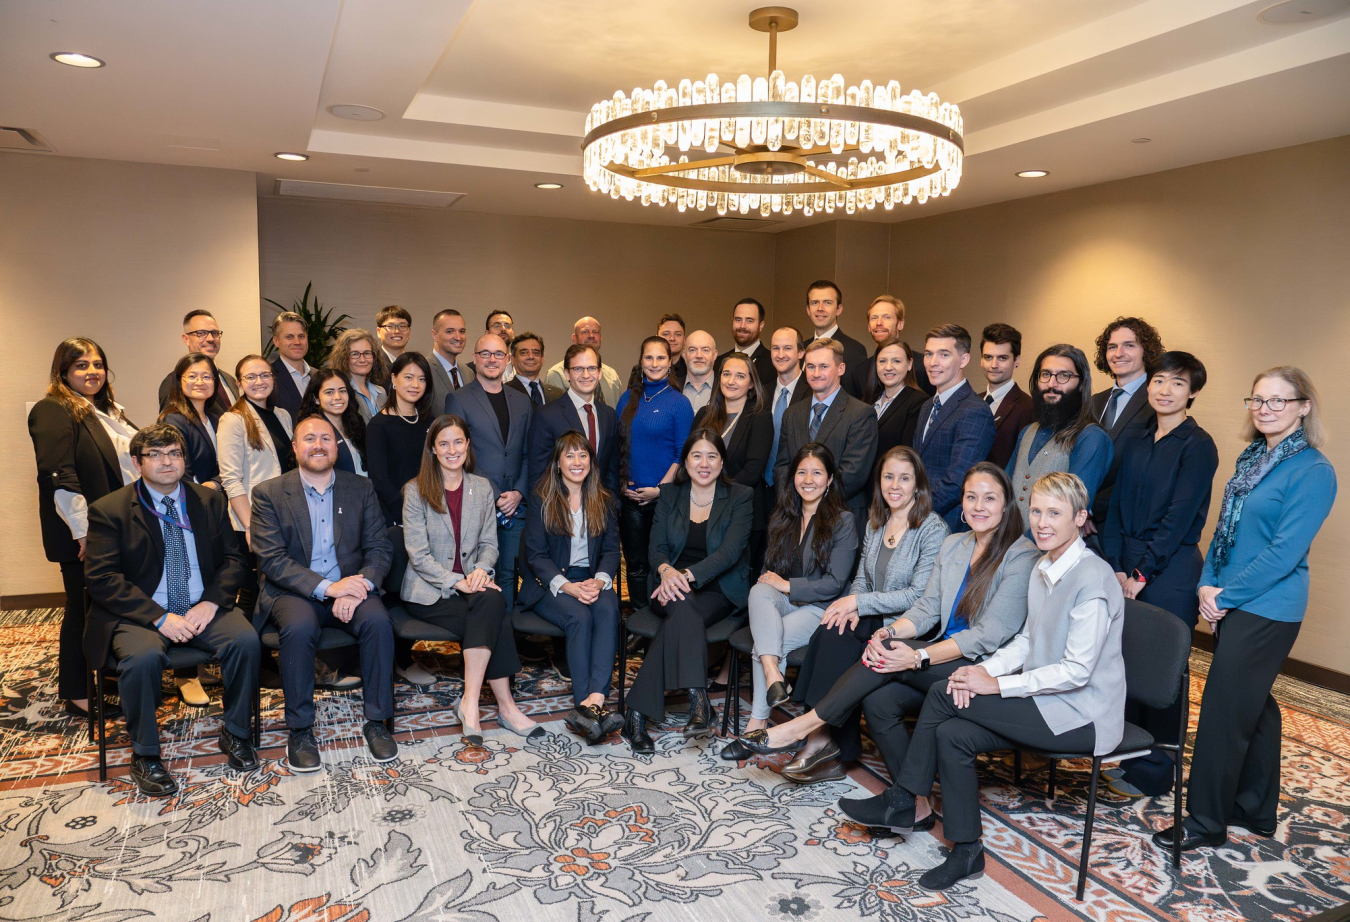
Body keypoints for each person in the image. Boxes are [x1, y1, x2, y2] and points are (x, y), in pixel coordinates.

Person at [841, 472, 1125, 891]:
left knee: (942, 693)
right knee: (955, 734)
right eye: (1037, 511)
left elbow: (1076, 672)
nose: (1042, 522)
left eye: (1055, 513)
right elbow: (1028, 641)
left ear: (1080, 518)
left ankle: (904, 799)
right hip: (1044, 698)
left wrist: (997, 685)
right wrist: (984, 672)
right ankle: (967, 849)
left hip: (1082, 712)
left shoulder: (1092, 578)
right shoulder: (1044, 564)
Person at [1155, 367, 1336, 853]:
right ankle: (1254, 809)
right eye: (1258, 399)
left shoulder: (1315, 471)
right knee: (1254, 708)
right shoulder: (1253, 456)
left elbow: (1283, 552)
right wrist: (1207, 582)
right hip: (1230, 596)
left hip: (1269, 608)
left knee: (1221, 709)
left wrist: (1225, 597)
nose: (1265, 409)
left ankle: (1205, 821)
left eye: (1279, 401)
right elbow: (1224, 529)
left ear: (1304, 407)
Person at [729, 448, 949, 779]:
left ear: (918, 484)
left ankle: (815, 739)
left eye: (904, 478)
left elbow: (918, 595)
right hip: (872, 613)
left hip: (907, 624)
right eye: (888, 477)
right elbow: (860, 578)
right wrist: (853, 604)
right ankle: (822, 741)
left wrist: (857, 604)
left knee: (834, 635)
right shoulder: (878, 522)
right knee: (832, 631)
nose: (895, 485)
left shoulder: (932, 529)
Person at [83, 424, 258, 796]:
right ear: (137, 462)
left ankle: (237, 732)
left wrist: (211, 603)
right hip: (142, 613)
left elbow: (233, 559)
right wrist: (160, 617)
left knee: (245, 640)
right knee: (143, 658)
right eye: (156, 455)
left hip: (201, 606)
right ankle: (145, 755)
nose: (167, 462)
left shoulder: (209, 501)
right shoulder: (110, 510)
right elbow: (102, 579)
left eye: (174, 453)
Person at [1100, 351, 1218, 798]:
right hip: (1124, 566)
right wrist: (1114, 568)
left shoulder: (1198, 444)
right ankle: (1128, 754)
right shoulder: (1136, 440)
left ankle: (1157, 770)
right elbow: (1113, 513)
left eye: (1177, 384)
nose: (1165, 390)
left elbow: (1180, 517)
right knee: (1125, 662)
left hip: (1169, 570)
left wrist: (1139, 573)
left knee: (1164, 670)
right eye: (1159, 381)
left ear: (1193, 393)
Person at [251, 415, 398, 771]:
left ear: (336, 447)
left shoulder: (360, 488)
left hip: (351, 586)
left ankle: (377, 722)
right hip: (295, 591)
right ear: (296, 447)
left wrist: (358, 585)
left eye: (326, 439)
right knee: (298, 630)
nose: (318, 445)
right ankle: (300, 729)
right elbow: (271, 559)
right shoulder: (268, 493)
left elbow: (379, 548)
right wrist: (330, 588)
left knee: (379, 622)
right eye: (309, 438)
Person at [400, 415, 543, 742]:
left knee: (490, 604)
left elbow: (489, 544)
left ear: (467, 445)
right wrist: (457, 581)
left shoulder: (481, 487)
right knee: (495, 613)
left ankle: (472, 703)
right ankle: (503, 708)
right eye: (444, 443)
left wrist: (480, 570)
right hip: (429, 593)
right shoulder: (415, 490)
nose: (452, 450)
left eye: (458, 442)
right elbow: (418, 555)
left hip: (473, 588)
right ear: (433, 450)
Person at [623, 429, 754, 752]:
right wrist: (667, 572)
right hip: (669, 585)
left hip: (718, 588)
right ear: (685, 461)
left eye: (712, 456)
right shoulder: (670, 494)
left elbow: (730, 552)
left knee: (683, 611)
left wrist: (685, 577)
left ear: (722, 462)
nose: (704, 463)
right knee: (683, 608)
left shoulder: (740, 496)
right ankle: (699, 700)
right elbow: (656, 548)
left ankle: (636, 714)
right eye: (697, 455)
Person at [28, 337, 137, 719]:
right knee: (83, 608)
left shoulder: (106, 411)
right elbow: (58, 474)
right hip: (83, 533)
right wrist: (82, 531)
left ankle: (103, 675)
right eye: (81, 365)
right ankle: (76, 691)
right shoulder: (53, 408)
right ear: (63, 372)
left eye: (97, 363)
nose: (92, 371)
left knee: (105, 607)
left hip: (115, 527)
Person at [740, 444, 858, 736]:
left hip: (821, 607)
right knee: (758, 591)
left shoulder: (843, 521)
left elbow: (835, 583)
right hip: (787, 601)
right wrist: (776, 585)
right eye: (801, 472)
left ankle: (758, 719)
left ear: (829, 479)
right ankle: (774, 677)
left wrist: (785, 584)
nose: (808, 479)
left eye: (817, 472)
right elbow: (772, 570)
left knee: (767, 642)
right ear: (792, 477)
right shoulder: (784, 516)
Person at [519, 432, 623, 744]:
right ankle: (586, 704)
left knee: (608, 609)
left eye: (583, 455)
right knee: (581, 617)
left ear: (591, 461)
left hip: (591, 577)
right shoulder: (542, 497)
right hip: (549, 583)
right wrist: (570, 588)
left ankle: (593, 704)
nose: (577, 462)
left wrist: (600, 580)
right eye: (569, 456)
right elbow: (536, 557)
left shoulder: (603, 500)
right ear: (558, 462)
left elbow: (611, 551)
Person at [446, 333, 533, 611]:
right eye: (485, 353)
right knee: (475, 574)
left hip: (515, 507)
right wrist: (495, 495)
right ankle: (479, 636)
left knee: (508, 574)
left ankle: (503, 637)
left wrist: (519, 491)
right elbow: (457, 453)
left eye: (498, 354)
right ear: (474, 359)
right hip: (477, 502)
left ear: (508, 360)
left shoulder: (522, 401)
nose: (492, 359)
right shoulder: (457, 399)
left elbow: (528, 452)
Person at [615, 337, 695, 612]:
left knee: (661, 564)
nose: (654, 364)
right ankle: (639, 621)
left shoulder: (679, 403)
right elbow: (618, 445)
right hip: (630, 499)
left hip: (665, 499)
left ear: (671, 361)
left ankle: (660, 618)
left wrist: (660, 490)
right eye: (649, 358)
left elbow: (681, 455)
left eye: (661, 358)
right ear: (641, 361)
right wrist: (621, 481)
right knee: (635, 565)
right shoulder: (627, 399)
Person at [772, 338, 878, 542]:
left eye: (824, 366)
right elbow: (782, 467)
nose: (816, 373)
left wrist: (812, 502)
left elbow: (853, 473)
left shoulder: (861, 414)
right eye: (810, 366)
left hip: (840, 518)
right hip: (795, 519)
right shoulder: (792, 413)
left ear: (841, 368)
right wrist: (794, 505)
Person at [217, 354, 295, 615]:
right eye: (250, 376)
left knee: (280, 587)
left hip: (285, 514)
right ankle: (253, 653)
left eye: (265, 375)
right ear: (239, 383)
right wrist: (251, 526)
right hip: (253, 520)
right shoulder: (233, 420)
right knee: (254, 591)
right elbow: (230, 479)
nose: (259, 381)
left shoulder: (283, 416)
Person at [1007, 345, 1113, 520]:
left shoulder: (1091, 438)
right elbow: (1005, 490)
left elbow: (1070, 510)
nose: (1052, 384)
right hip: (1009, 543)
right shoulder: (1027, 431)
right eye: (1045, 374)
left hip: (1050, 545)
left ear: (1081, 384)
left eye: (1064, 376)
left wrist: (1023, 545)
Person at [695, 352, 773, 571]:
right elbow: (689, 459)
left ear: (751, 383)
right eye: (726, 374)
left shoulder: (759, 417)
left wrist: (715, 492)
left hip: (741, 512)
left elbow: (753, 471)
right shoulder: (704, 414)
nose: (731, 381)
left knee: (737, 578)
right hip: (701, 510)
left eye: (740, 376)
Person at [914, 324, 997, 530]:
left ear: (964, 359)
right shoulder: (927, 406)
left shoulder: (975, 410)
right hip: (918, 519)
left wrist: (913, 515)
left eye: (943, 354)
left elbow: (957, 482)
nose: (933, 363)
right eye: (928, 354)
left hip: (947, 525)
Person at [1090, 317, 1165, 526]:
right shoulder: (1093, 402)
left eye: (1129, 345)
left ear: (1146, 351)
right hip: (1080, 522)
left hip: (1126, 521)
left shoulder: (1158, 402)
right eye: (1112, 347)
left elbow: (1146, 471)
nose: (1118, 353)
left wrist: (1093, 510)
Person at [528, 344, 620, 492]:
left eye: (591, 368)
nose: (586, 375)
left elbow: (612, 471)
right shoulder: (546, 415)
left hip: (601, 508)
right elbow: (538, 474)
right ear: (567, 374)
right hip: (560, 507)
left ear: (600, 372)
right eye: (578, 369)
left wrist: (614, 506)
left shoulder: (609, 415)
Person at [366, 353, 435, 525]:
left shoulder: (430, 420)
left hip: (433, 511)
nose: (415, 385)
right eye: (409, 377)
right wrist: (408, 510)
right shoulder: (378, 425)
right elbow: (379, 479)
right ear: (394, 379)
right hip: (398, 516)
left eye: (422, 379)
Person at [159, 352, 224, 492]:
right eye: (192, 376)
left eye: (206, 377)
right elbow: (179, 473)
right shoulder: (173, 421)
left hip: (217, 499)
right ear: (179, 381)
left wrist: (215, 483)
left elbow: (230, 464)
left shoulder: (216, 419)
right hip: (192, 500)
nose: (200, 382)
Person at [848, 295, 933, 400]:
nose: (879, 323)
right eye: (874, 318)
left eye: (886, 317)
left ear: (900, 324)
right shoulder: (860, 371)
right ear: (869, 327)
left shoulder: (923, 364)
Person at [157, 310, 238, 411]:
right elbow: (171, 423)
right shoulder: (175, 382)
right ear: (186, 339)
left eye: (215, 333)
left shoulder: (230, 380)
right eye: (201, 333)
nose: (210, 339)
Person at [764, 326, 811, 491]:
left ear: (800, 353)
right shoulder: (761, 393)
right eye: (775, 348)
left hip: (798, 486)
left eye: (787, 348)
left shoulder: (813, 393)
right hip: (762, 487)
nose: (780, 354)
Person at [981, 323, 1034, 468]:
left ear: (1016, 360)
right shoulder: (971, 402)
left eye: (1002, 358)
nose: (993, 365)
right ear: (981, 360)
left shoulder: (1028, 408)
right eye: (988, 357)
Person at [299, 369, 368, 477]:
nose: (337, 397)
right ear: (316, 398)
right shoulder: (312, 430)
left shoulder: (357, 423)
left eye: (342, 391)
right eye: (329, 392)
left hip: (364, 491)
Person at [803, 280, 868, 396]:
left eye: (827, 303)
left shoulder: (855, 350)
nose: (820, 308)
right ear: (808, 310)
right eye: (814, 303)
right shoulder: (801, 349)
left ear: (839, 309)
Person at [544, 317, 625, 406]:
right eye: (585, 332)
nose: (591, 336)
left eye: (596, 332)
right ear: (574, 338)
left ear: (601, 338)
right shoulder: (556, 374)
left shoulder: (612, 375)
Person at [870, 339, 928, 457]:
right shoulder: (869, 400)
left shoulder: (919, 403)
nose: (888, 367)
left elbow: (907, 452)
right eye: (882, 361)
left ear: (909, 364)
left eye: (896, 361)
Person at [326, 328, 388, 421]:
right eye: (355, 354)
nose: (362, 360)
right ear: (343, 357)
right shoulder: (340, 394)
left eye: (367, 353)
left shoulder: (381, 393)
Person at [716, 298, 776, 387]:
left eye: (749, 321)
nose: (742, 326)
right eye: (738, 320)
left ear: (761, 325)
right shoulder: (718, 362)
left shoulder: (773, 364)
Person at [428, 309, 475, 411]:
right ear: (435, 335)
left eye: (462, 331)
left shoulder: (468, 373)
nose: (458, 337)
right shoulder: (423, 369)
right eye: (450, 331)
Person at [269, 311, 313, 418]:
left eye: (301, 336)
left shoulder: (319, 376)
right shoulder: (268, 378)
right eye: (289, 337)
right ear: (276, 341)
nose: (297, 342)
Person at [507, 331, 563, 407]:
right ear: (513, 359)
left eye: (536, 353)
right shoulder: (504, 393)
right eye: (523, 353)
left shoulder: (558, 394)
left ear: (542, 359)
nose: (531, 357)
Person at [679, 330, 718, 413]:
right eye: (692, 350)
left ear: (714, 355)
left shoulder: (726, 388)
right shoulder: (672, 387)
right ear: (684, 355)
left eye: (705, 350)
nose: (699, 356)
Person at [484, 310, 517, 383]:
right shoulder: (474, 369)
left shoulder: (521, 365)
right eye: (497, 326)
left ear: (513, 333)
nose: (503, 329)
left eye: (507, 326)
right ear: (487, 333)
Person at [658, 313, 689, 383]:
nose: (672, 338)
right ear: (657, 338)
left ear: (684, 339)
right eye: (666, 334)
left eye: (678, 334)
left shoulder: (690, 369)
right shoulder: (642, 370)